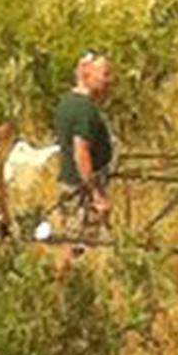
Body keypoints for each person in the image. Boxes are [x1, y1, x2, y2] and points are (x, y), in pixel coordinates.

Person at [54, 51, 115, 227]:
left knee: (73, 240)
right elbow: (81, 152)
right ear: (86, 74)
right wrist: (96, 194)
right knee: (80, 243)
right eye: (105, 74)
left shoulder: (66, 101)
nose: (109, 80)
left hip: (70, 182)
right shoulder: (85, 110)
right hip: (82, 189)